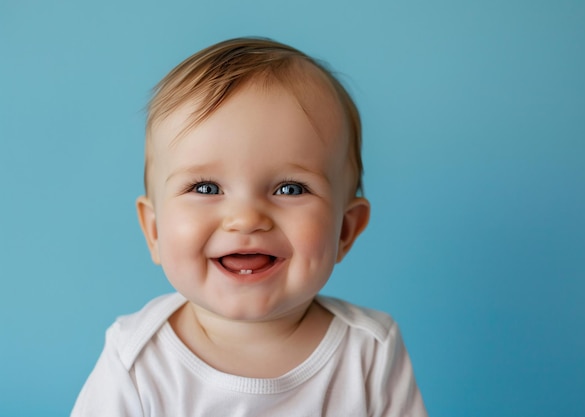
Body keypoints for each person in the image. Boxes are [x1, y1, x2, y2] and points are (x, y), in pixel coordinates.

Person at [71, 37, 428, 417]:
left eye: (290, 188)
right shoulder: (137, 359)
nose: (246, 218)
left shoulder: (369, 351)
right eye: (206, 188)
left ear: (345, 230)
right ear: (154, 230)